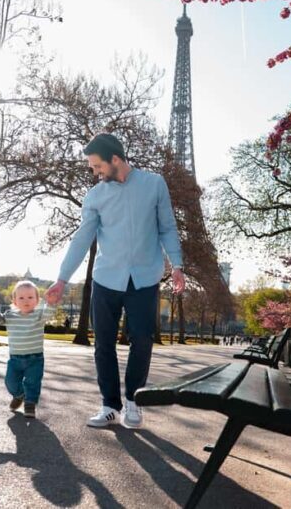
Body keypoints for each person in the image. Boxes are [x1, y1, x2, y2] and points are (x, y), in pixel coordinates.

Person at [46, 132, 185, 429]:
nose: (94, 172)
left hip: (145, 278)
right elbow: (82, 238)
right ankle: (110, 405)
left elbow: (167, 227)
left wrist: (177, 265)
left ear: (116, 160)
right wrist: (61, 279)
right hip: (106, 278)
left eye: (97, 166)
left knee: (143, 339)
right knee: (103, 344)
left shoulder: (154, 184)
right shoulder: (95, 195)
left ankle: (133, 402)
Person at [0, 280, 56, 418]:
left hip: (35, 358)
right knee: (10, 381)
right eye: (21, 298)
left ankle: (30, 404)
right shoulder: (10, 315)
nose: (26, 301)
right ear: (15, 301)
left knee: (33, 382)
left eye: (30, 297)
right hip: (15, 359)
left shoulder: (39, 315)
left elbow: (49, 313)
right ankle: (19, 395)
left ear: (37, 300)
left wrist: (51, 303)